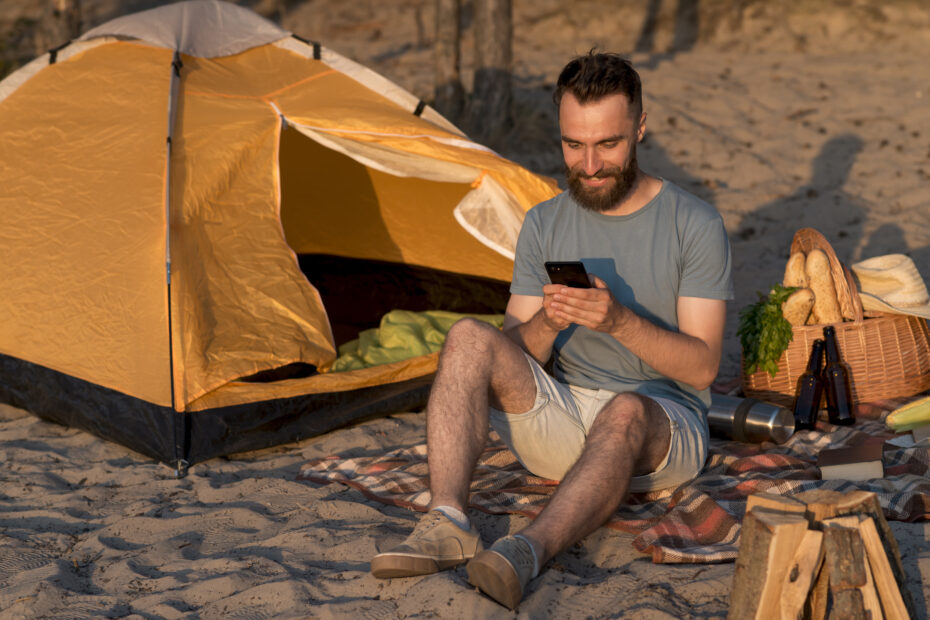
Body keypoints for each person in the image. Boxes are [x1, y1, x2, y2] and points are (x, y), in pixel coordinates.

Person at [369, 51, 734, 610]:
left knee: (627, 409)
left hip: (662, 427)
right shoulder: (544, 221)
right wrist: (548, 320)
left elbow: (703, 367)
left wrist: (619, 322)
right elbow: (512, 355)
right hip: (560, 419)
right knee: (468, 336)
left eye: (607, 144)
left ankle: (526, 551)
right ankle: (447, 521)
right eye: (573, 144)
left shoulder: (696, 223)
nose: (589, 165)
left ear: (639, 127)